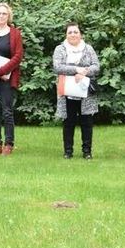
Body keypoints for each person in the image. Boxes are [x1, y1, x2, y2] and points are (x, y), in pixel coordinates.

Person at [53, 22, 99, 159]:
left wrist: (85, 72)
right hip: (67, 91)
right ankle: (68, 151)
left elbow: (96, 66)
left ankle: (87, 151)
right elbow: (57, 67)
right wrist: (76, 70)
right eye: (70, 32)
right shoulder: (60, 49)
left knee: (87, 122)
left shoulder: (88, 48)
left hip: (85, 92)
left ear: (81, 34)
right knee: (68, 121)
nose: (73, 34)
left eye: (75, 32)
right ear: (66, 35)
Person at [0, 2, 24, 155]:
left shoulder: (15, 34)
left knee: (7, 111)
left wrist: (1, 71)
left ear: (8, 16)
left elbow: (18, 56)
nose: (1, 16)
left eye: (4, 14)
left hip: (7, 78)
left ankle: (9, 143)